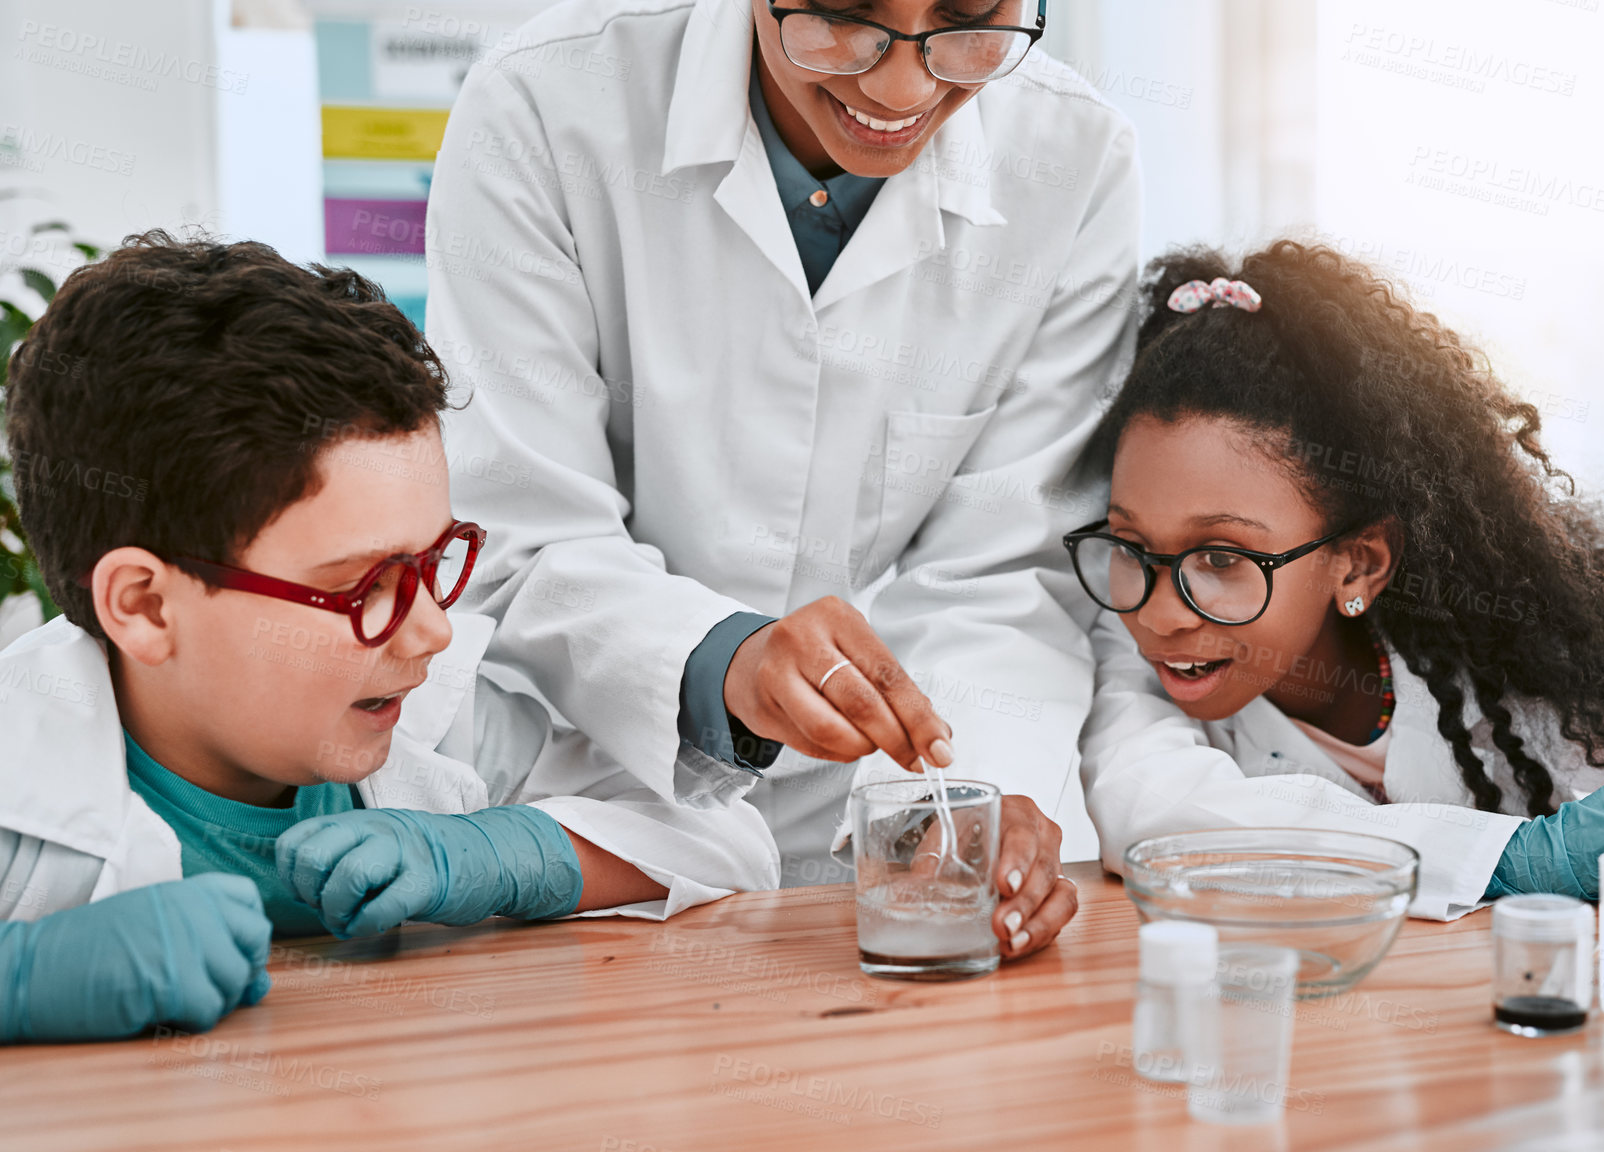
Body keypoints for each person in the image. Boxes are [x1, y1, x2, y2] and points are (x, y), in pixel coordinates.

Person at [429, 0, 1141, 958]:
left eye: (971, 19)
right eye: (846, 17)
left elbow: (1006, 566)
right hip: (596, 811)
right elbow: (518, 526)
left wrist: (966, 799)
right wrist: (726, 660)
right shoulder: (546, 106)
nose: (902, 88)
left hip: (875, 810)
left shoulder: (1076, 160)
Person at [0, 233, 777, 1043]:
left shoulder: (440, 717)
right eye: (358, 585)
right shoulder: (20, 762)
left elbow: (728, 840)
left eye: (433, 560)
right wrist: (19, 980)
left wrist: (501, 854)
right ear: (147, 607)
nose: (433, 629)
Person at [1075, 241, 1604, 919]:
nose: (1159, 612)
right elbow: (1149, 808)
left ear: (1358, 563)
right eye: (1131, 544)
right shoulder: (1126, 634)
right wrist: (1516, 859)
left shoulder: (1504, 656)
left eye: (1220, 558)